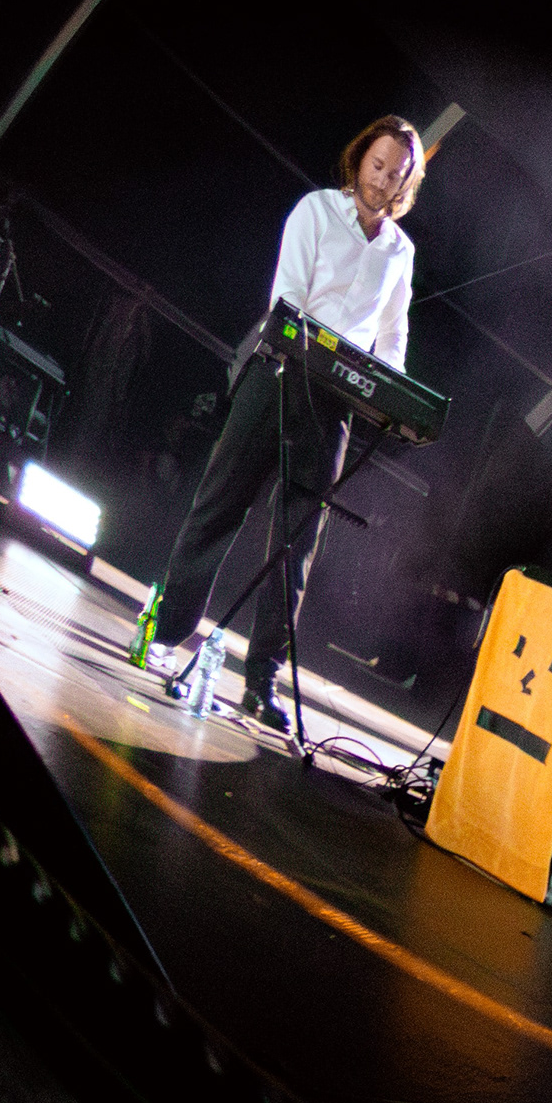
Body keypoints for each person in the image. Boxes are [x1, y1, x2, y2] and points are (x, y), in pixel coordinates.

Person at [139, 116, 425, 718]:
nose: (382, 181)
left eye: (395, 174)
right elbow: (287, 296)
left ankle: (261, 683)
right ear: (359, 159)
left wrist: (387, 388)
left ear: (407, 183)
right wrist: (318, 351)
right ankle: (165, 636)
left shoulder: (400, 252)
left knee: (296, 546)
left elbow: (393, 332)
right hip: (275, 375)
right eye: (376, 166)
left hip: (333, 403)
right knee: (220, 508)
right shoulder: (316, 211)